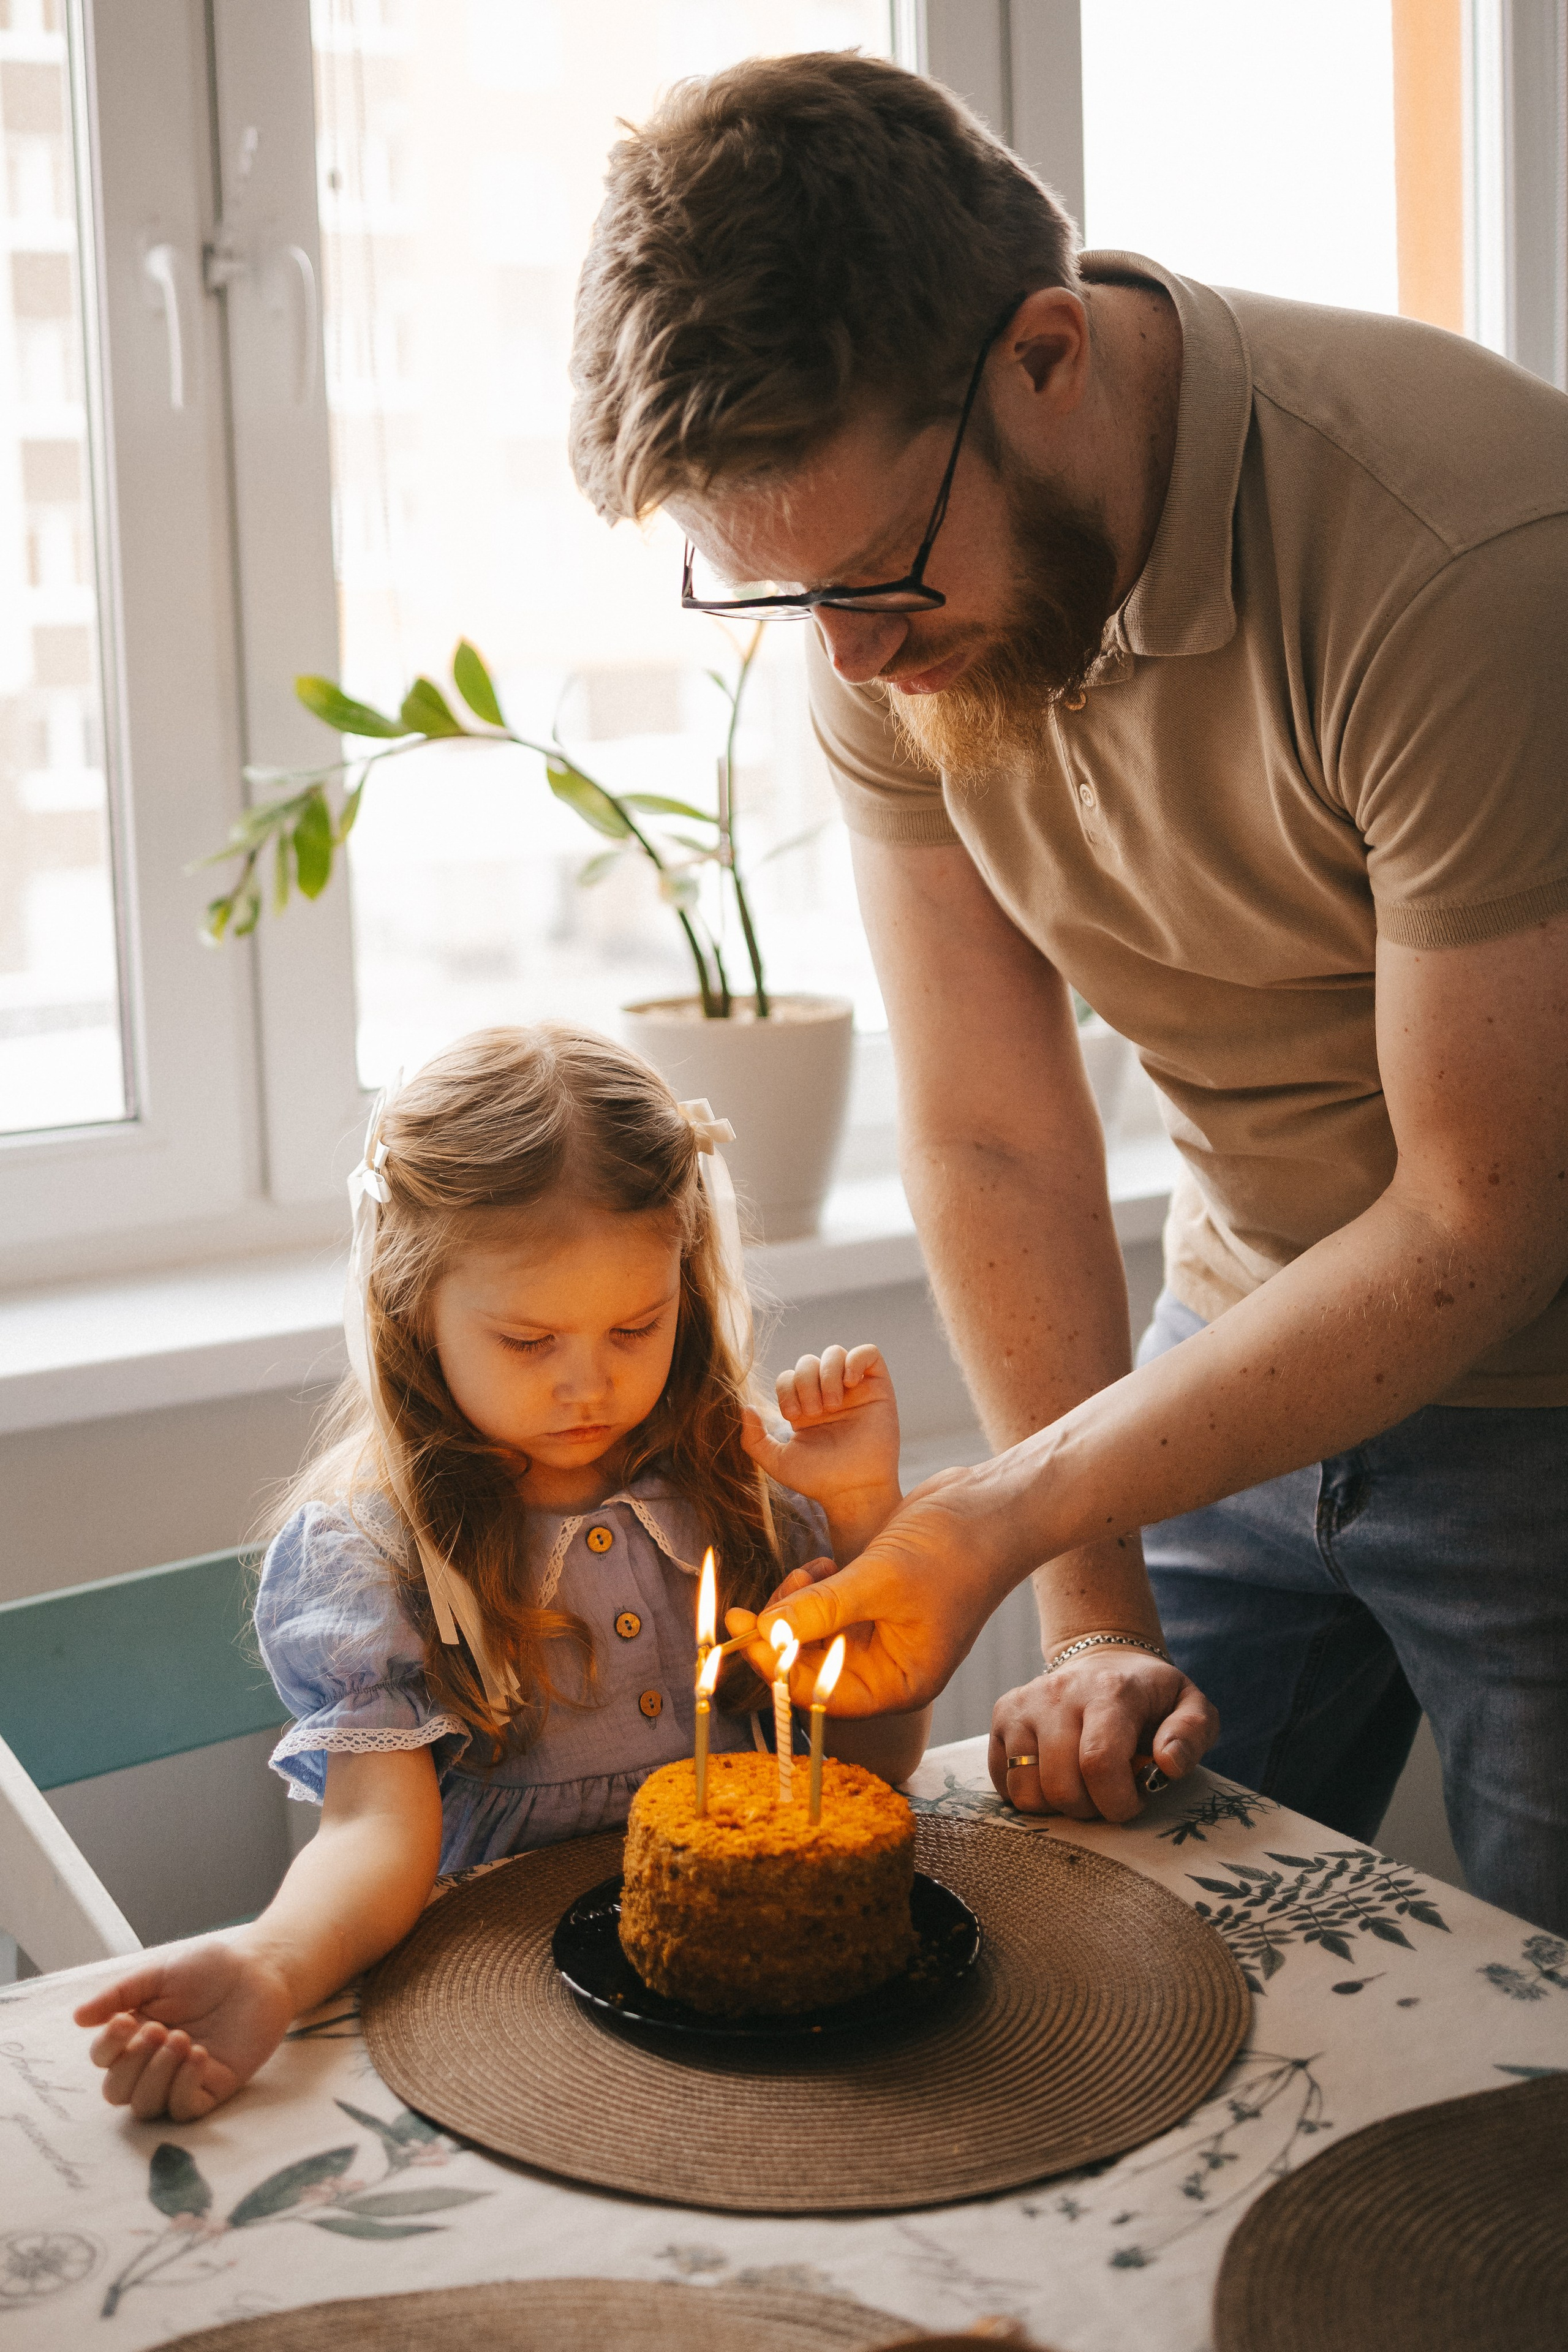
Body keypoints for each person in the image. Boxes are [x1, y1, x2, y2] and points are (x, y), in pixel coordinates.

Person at [568, 51, 1568, 1929]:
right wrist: (1091, 1603)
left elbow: (1480, 1218)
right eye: (787, 602)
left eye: (871, 576)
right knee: (1105, 1975)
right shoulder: (881, 614)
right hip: (1235, 1346)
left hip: (1545, 1379)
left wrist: (999, 1508)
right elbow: (990, 1127)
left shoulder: (1468, 558)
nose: (853, 659)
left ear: (1046, 354)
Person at [75, 1024, 928, 2120]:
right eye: (530, 1343)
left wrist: (864, 1522)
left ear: (689, 1279)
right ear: (409, 1306)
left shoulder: (746, 1491)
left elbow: (871, 1768)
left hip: (750, 2013)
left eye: (637, 1324)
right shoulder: (374, 1557)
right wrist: (273, 1967)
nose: (590, 1385)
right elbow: (376, 1830)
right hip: (503, 2023)